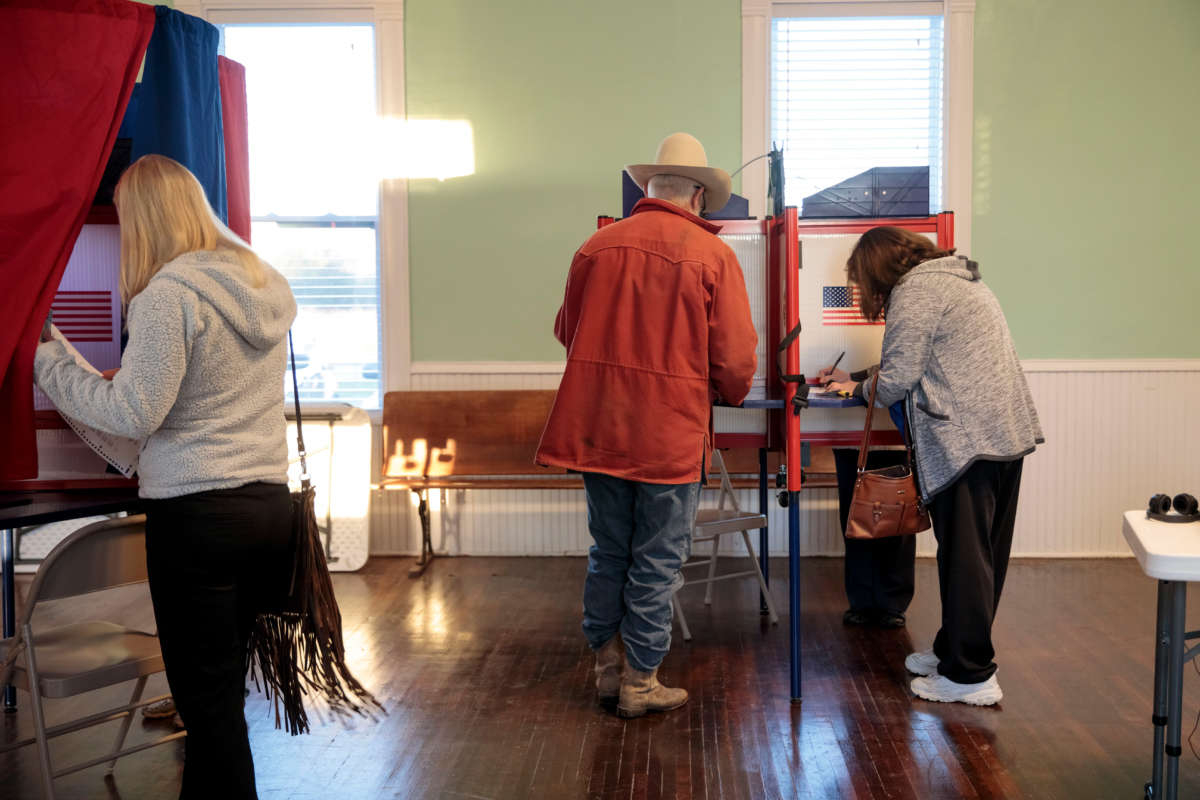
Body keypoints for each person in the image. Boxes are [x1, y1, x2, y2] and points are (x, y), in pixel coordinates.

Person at [34, 154, 297, 798]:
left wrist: (52, 365)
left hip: (199, 515)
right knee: (221, 696)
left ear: (143, 219)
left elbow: (134, 411)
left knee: (208, 711)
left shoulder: (169, 295)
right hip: (268, 507)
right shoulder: (261, 281)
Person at [536, 133, 757, 718]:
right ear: (698, 198)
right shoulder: (713, 255)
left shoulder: (595, 247)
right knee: (658, 560)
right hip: (668, 433)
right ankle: (640, 681)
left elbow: (567, 330)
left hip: (598, 426)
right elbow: (734, 361)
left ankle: (606, 670)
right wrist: (725, 391)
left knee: (610, 551)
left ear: (649, 189)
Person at [823, 226, 1042, 706]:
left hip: (966, 440)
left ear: (877, 270)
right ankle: (955, 651)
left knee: (964, 559)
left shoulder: (916, 290)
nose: (864, 292)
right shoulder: (956, 280)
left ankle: (970, 675)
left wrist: (853, 390)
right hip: (1002, 433)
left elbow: (899, 377)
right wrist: (858, 377)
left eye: (861, 280)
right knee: (980, 558)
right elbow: (924, 358)